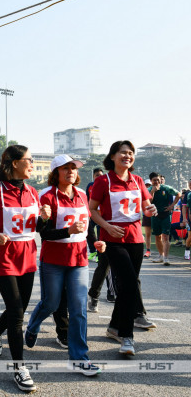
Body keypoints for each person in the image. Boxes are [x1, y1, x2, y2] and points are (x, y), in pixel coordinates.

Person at [0, 145, 50, 392]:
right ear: (14, 163)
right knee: (16, 311)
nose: (32, 164)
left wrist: (44, 218)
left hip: (28, 255)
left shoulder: (34, 193)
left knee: (20, 309)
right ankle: (19, 368)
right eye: (29, 160)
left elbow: (38, 229)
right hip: (4, 257)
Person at [25, 155, 104, 376]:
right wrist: (68, 231)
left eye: (74, 168)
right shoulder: (47, 196)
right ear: (56, 172)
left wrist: (95, 243)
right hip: (53, 260)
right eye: (66, 168)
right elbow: (44, 233)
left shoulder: (81, 194)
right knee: (51, 303)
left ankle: (79, 358)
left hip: (79, 260)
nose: (71, 171)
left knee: (78, 309)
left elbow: (87, 227)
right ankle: (32, 326)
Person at [89, 140, 157, 356]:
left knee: (129, 285)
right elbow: (92, 210)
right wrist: (108, 226)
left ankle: (114, 327)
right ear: (112, 156)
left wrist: (150, 210)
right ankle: (126, 336)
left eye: (130, 153)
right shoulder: (103, 181)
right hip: (112, 240)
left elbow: (146, 208)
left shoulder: (138, 181)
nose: (127, 156)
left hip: (136, 240)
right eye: (123, 153)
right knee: (128, 284)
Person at [148, 172, 181, 265]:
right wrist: (153, 192)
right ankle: (161, 256)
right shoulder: (149, 189)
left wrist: (172, 206)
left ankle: (166, 258)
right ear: (151, 181)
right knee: (157, 236)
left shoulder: (166, 188)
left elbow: (178, 194)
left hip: (166, 215)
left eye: (158, 180)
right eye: (154, 180)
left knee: (166, 236)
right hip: (155, 215)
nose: (157, 182)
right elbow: (149, 202)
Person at [85, 168, 103, 262]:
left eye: (100, 175)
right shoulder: (90, 185)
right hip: (92, 214)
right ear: (93, 176)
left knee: (101, 235)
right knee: (88, 233)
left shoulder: (106, 185)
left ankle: (100, 255)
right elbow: (87, 199)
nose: (99, 177)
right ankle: (93, 251)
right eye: (97, 175)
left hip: (101, 215)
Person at [142, 179, 153, 258]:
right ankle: (148, 250)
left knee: (159, 235)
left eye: (149, 185)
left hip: (155, 214)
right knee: (147, 234)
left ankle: (161, 252)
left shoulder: (157, 191)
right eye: (146, 185)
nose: (148, 186)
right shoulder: (143, 192)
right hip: (146, 214)